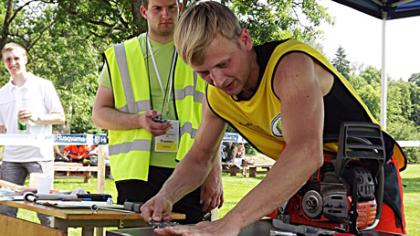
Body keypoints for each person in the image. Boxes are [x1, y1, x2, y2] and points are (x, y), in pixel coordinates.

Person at [140, 2, 406, 235]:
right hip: (308, 181)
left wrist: (231, 222)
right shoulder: (216, 96)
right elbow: (200, 157)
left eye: (223, 64)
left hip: (367, 177)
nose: (218, 80)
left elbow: (305, 152)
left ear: (245, 39)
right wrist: (166, 195)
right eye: (204, 73)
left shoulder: (290, 66)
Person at [92, 0, 223, 224]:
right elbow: (99, 114)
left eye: (172, 8)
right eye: (158, 9)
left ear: (180, 9)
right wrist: (137, 121)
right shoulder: (121, 54)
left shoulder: (199, 53)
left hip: (190, 171)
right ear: (144, 12)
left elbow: (216, 117)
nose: (165, 14)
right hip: (136, 174)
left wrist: (215, 173)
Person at [0, 42, 65, 225]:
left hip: (39, 156)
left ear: (25, 59)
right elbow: (2, 127)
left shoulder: (43, 85)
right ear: (4, 63)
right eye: (8, 60)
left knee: (44, 209)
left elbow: (60, 117)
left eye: (16, 58)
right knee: (5, 209)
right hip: (12, 158)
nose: (12, 63)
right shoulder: (2, 93)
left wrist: (37, 117)